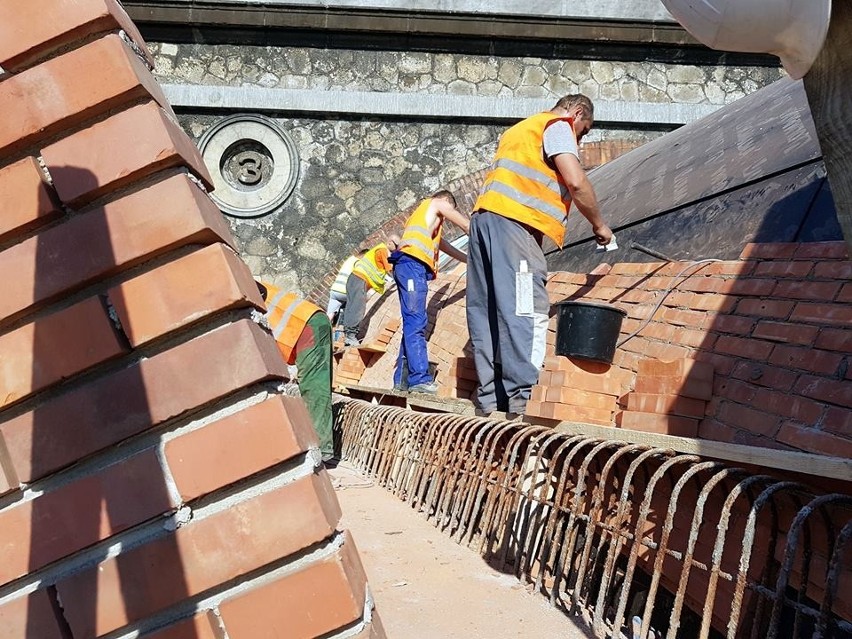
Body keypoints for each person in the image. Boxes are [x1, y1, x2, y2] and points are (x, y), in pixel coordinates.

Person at [466, 94, 613, 416]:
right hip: (514, 224)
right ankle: (524, 397)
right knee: (526, 305)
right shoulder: (557, 126)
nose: (580, 137)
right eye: (583, 131)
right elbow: (576, 181)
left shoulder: (520, 129)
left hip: (484, 221)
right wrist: (600, 225)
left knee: (486, 309)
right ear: (577, 113)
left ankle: (490, 399)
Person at [390, 190, 470, 394]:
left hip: (407, 266)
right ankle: (419, 380)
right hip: (412, 266)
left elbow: (448, 248)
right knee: (416, 322)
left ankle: (402, 380)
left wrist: (470, 260)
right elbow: (465, 225)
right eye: (450, 208)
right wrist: (483, 236)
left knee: (411, 322)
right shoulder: (436, 203)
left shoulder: (426, 225)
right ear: (446, 201)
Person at [257, 281, 336, 465]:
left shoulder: (241, 286)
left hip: (308, 325)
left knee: (314, 386)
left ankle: (322, 450)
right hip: (303, 326)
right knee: (310, 385)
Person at [342, 234, 400, 347]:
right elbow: (390, 269)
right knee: (357, 307)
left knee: (351, 306)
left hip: (354, 278)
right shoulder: (383, 250)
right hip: (360, 279)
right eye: (397, 246)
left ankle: (349, 334)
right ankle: (351, 336)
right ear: (390, 242)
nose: (397, 249)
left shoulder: (378, 249)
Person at [326, 248, 366, 324]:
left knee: (329, 315)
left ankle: (323, 330)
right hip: (344, 292)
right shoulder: (358, 263)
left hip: (334, 291)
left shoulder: (349, 259)